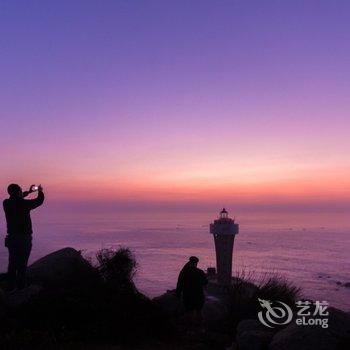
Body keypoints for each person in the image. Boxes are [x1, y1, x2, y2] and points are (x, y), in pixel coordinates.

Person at [3, 184, 45, 290]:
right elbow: (39, 201)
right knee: (22, 264)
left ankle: (10, 287)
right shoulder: (23, 204)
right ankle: (21, 288)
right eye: (21, 190)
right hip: (23, 238)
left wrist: (28, 192)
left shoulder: (6, 203)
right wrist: (40, 191)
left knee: (12, 264)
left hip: (12, 238)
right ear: (18, 192)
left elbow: (17, 199)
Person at [176, 256, 208, 329]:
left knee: (189, 313)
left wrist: (178, 294)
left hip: (188, 296)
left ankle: (189, 329)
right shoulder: (200, 272)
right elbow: (205, 282)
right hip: (198, 296)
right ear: (196, 263)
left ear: (190, 262)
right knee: (199, 312)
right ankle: (200, 329)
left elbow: (180, 284)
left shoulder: (184, 272)